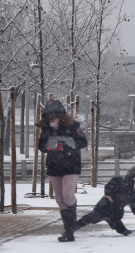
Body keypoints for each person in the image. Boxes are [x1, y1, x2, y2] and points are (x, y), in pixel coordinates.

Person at [37, 99, 88, 242]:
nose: (52, 119)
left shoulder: (73, 126)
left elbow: (83, 142)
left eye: (55, 115)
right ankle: (69, 231)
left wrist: (70, 144)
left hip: (71, 165)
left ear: (61, 115)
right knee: (59, 199)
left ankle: (72, 225)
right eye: (49, 116)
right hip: (54, 165)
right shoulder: (46, 129)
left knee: (67, 195)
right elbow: (41, 146)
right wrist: (48, 146)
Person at [64, 166, 135, 237]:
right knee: (86, 219)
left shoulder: (133, 195)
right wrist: (108, 194)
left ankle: (126, 232)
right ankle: (68, 231)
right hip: (102, 208)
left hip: (115, 214)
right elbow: (110, 185)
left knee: (119, 226)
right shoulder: (120, 181)